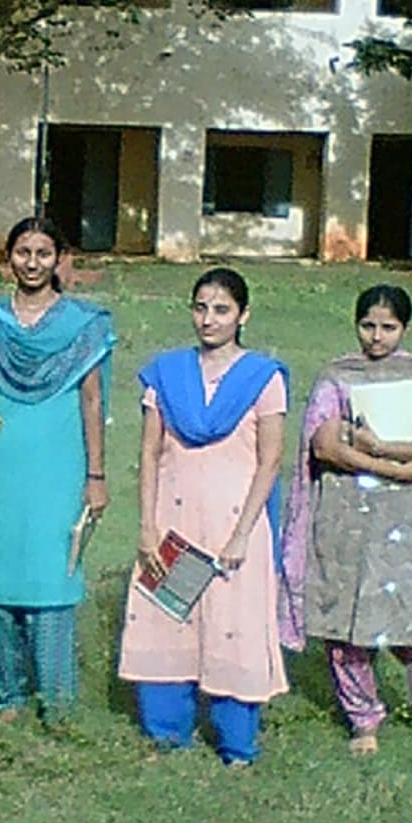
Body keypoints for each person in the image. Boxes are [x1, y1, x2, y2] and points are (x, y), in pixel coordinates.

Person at [279, 284, 412, 754]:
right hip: (347, 518)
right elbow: (322, 445)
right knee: (346, 622)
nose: (376, 338)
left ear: (405, 328)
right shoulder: (338, 377)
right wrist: (388, 465)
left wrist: (383, 445)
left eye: (388, 327)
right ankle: (364, 719)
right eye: (368, 326)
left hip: (410, 523)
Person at [117, 268, 288, 765]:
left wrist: (242, 534)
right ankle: (167, 730)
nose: (208, 320)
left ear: (242, 316)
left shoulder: (263, 377)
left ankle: (236, 741)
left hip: (236, 525)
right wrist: (147, 527)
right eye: (200, 308)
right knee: (166, 619)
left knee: (234, 621)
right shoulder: (167, 375)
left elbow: (270, 460)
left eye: (221, 310)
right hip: (174, 520)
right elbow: (150, 453)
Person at [0, 217, 116, 723]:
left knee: (53, 572)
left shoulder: (85, 325)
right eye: (23, 252)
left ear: (59, 259)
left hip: (59, 459)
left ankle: (56, 698)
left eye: (43, 253)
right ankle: (7, 695)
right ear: (9, 258)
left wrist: (96, 475)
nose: (32, 263)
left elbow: (92, 400)